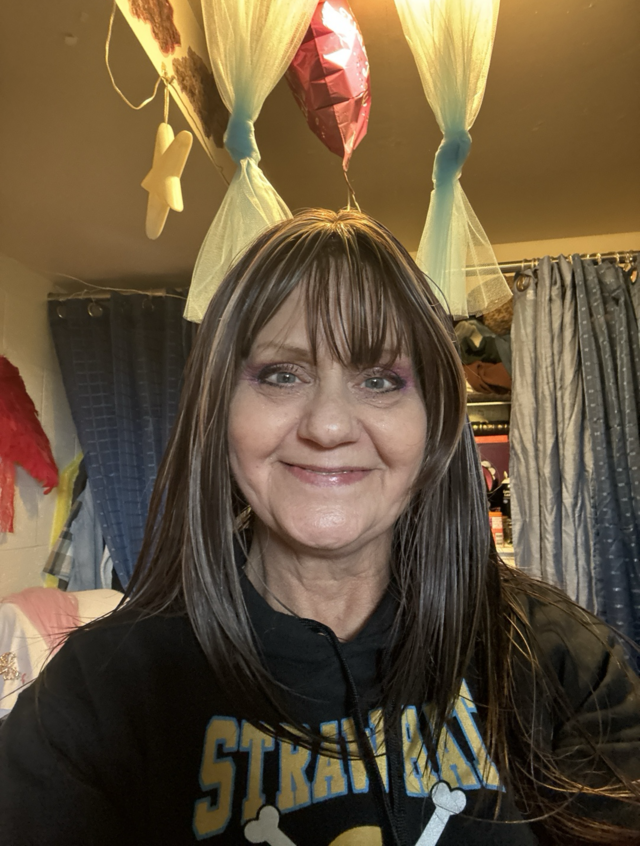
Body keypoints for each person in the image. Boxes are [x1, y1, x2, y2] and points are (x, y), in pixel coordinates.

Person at [1, 209, 639, 846]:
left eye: (380, 380)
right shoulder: (96, 697)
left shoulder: (565, 662)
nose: (328, 426)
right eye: (282, 375)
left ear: (436, 424)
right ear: (218, 411)